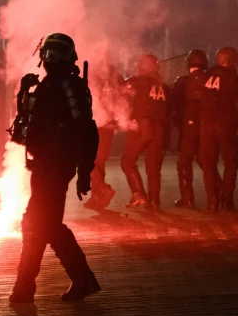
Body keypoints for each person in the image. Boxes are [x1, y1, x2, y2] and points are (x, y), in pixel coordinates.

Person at [9, 33, 100, 304]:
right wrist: (23, 95)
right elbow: (24, 127)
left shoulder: (70, 86)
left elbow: (86, 129)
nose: (50, 60)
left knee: (43, 225)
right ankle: (29, 287)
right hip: (43, 165)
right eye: (48, 54)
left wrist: (84, 171)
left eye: (55, 55)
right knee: (39, 224)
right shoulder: (47, 85)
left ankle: (33, 286)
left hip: (57, 166)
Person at [199, 47, 238, 212]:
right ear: (230, 61)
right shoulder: (234, 79)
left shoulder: (205, 77)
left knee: (209, 164)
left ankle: (212, 200)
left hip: (207, 127)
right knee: (230, 164)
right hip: (226, 127)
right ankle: (227, 201)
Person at [121, 54, 171, 212]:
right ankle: (154, 202)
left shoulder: (136, 82)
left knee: (127, 162)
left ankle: (138, 193)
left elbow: (122, 95)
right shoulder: (164, 87)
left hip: (142, 127)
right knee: (153, 169)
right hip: (160, 129)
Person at [85, 48, 125, 210]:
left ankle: (101, 189)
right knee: (98, 161)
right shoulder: (117, 77)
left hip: (96, 123)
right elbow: (123, 99)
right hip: (108, 125)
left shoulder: (92, 75)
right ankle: (97, 198)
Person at [171, 49, 209, 209]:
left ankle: (187, 199)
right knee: (206, 162)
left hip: (188, 128)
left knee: (184, 162)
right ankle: (218, 194)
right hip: (208, 127)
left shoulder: (182, 81)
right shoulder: (212, 79)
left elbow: (173, 104)